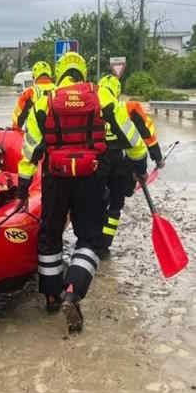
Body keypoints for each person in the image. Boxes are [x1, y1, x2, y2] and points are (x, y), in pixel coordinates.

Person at [15, 52, 148, 333]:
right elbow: (129, 134)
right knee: (89, 238)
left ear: (60, 73)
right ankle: (74, 290)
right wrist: (140, 163)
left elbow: (29, 151)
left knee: (50, 235)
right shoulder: (100, 96)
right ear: (83, 72)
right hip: (91, 176)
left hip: (55, 178)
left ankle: (52, 296)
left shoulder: (44, 101)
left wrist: (23, 188)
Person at [98, 74, 164, 253]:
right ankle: (104, 246)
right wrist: (157, 158)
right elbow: (146, 135)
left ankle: (91, 242)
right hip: (120, 164)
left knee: (97, 202)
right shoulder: (128, 108)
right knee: (116, 204)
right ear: (117, 92)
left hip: (96, 165)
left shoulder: (91, 109)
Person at [11, 61, 55, 130]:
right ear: (50, 75)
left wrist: (14, 130)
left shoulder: (30, 92)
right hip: (56, 136)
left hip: (35, 136)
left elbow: (18, 119)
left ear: (34, 76)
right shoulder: (59, 89)